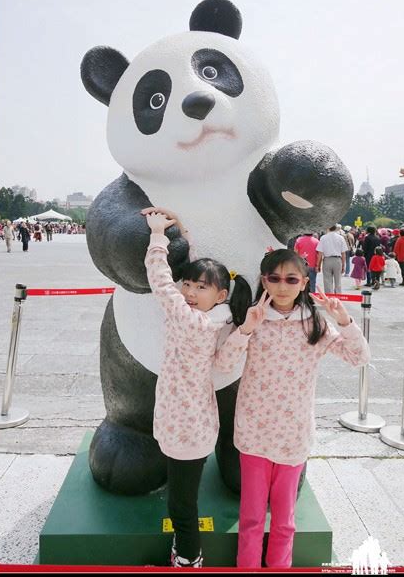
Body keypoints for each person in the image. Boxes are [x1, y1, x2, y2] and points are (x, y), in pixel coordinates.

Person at [214, 249, 369, 568]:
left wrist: (344, 320)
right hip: (254, 433)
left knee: (284, 521)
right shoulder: (254, 320)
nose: (282, 286)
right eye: (274, 278)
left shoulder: (315, 324)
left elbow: (359, 357)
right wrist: (245, 330)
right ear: (263, 281)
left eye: (291, 279)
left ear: (304, 282)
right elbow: (224, 364)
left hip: (293, 436)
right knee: (252, 518)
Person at [142, 207, 252, 568]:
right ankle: (186, 550)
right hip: (195, 423)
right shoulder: (215, 320)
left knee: (182, 505)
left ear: (220, 295)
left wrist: (158, 234)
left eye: (200, 287)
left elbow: (160, 281)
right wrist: (183, 233)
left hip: (184, 428)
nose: (188, 291)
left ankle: (189, 557)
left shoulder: (188, 320)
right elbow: (222, 364)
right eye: (187, 284)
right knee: (184, 494)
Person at [316, 225, 348, 294]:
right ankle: (338, 298)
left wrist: (318, 265)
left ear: (328, 228)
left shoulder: (323, 238)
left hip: (327, 260)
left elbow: (320, 253)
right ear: (336, 228)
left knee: (327, 281)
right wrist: (343, 265)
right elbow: (343, 253)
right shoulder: (341, 238)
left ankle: (329, 298)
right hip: (337, 260)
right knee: (338, 281)